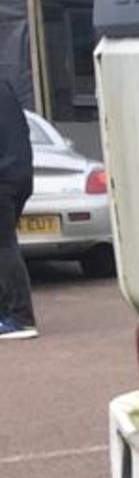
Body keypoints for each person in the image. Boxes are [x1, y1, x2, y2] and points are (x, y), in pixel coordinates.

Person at [0, 78, 38, 340]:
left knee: (3, 246)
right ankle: (8, 313)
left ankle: (20, 318)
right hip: (18, 173)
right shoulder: (5, 85)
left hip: (3, 176)